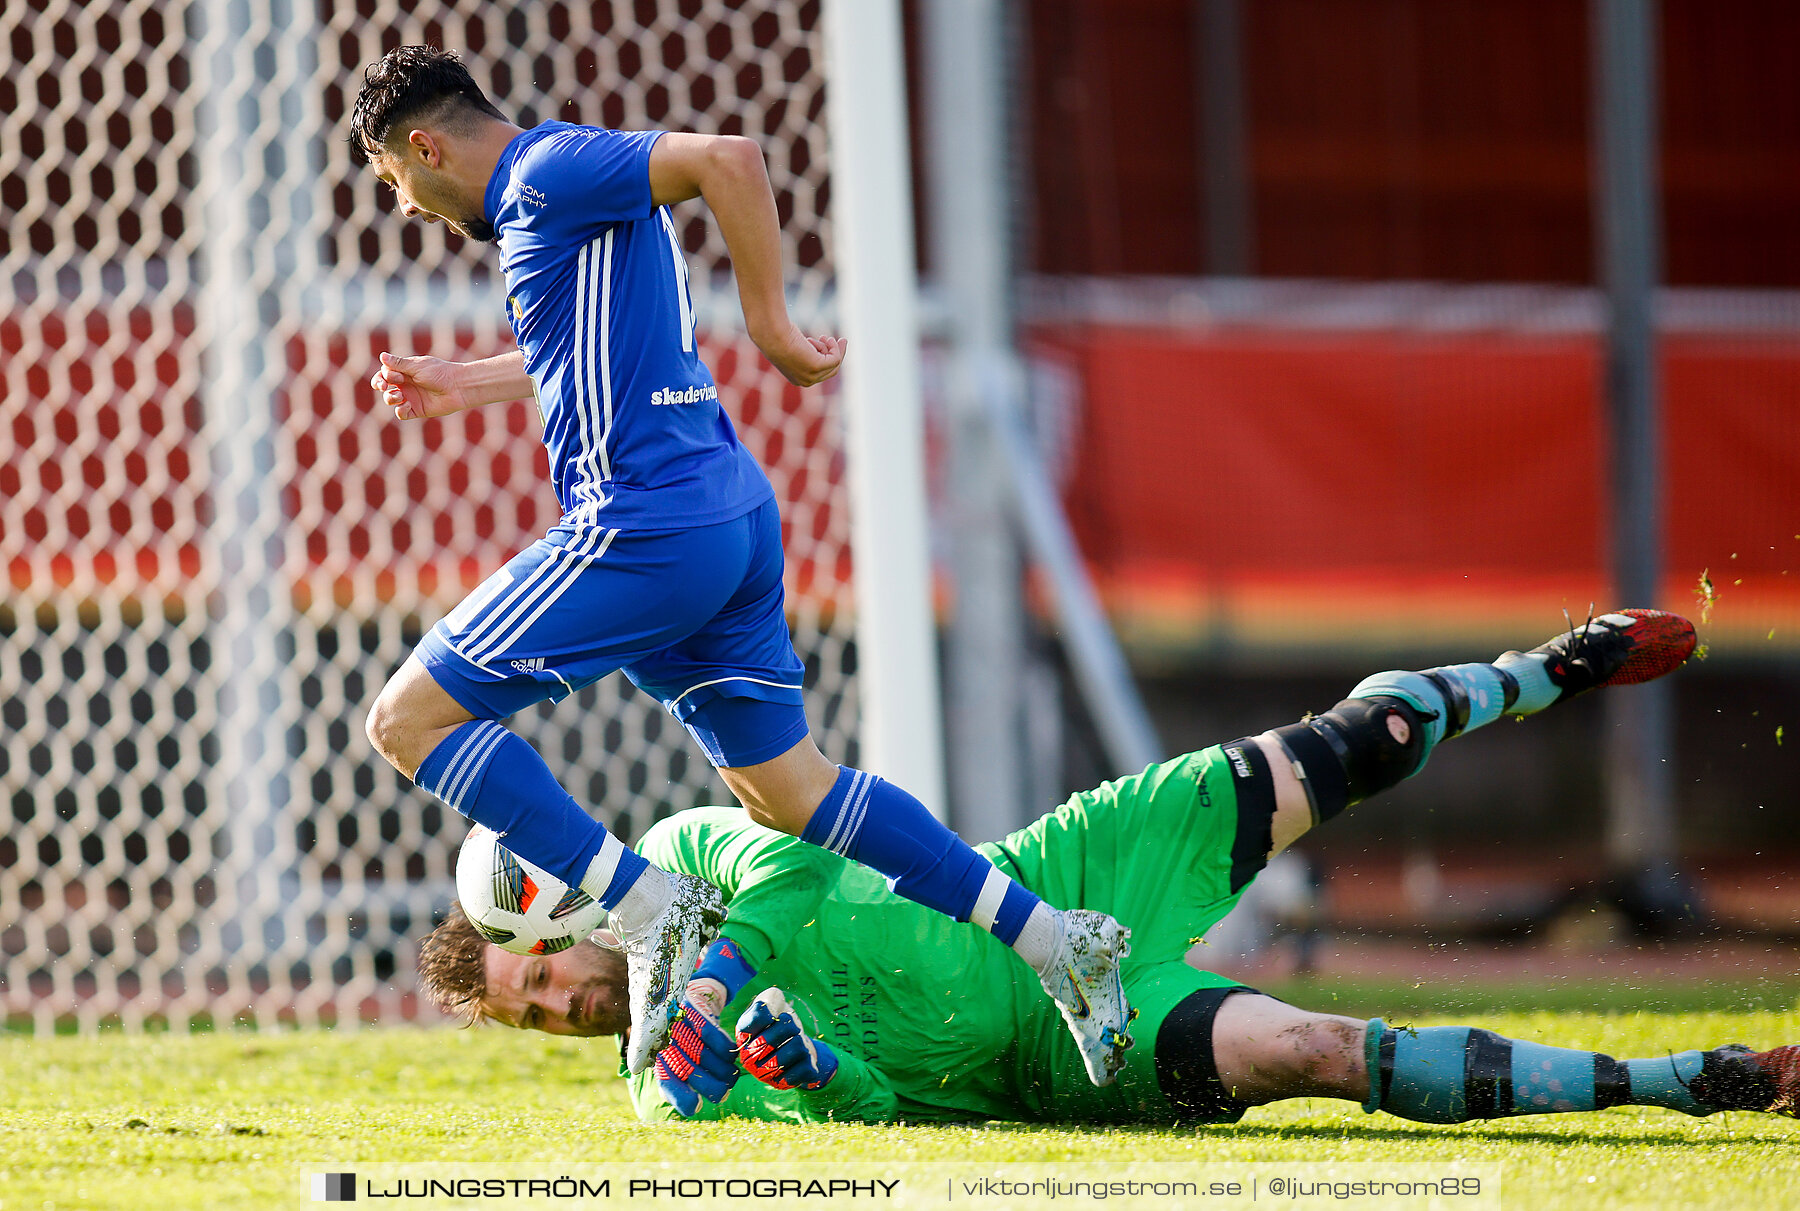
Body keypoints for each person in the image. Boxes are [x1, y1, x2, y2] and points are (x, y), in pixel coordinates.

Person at [345, 46, 1130, 1086]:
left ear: (426, 146)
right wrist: (467, 383)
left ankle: (642, 903)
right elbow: (580, 356)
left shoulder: (543, 175)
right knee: (790, 793)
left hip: (643, 522)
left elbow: (732, 158)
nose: (408, 207)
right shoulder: (570, 199)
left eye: (397, 182)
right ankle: (1053, 941)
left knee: (408, 719)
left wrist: (773, 327)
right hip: (727, 513)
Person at [420, 608, 1800, 1125]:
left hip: (1072, 863)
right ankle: (1701, 1079)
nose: (564, 1007)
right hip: (1056, 1051)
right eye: (536, 1019)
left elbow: (773, 880)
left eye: (542, 972)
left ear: (568, 905)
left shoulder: (677, 855)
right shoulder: (674, 1077)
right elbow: (879, 1109)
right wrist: (806, 1070)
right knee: (1318, 1045)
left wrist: (718, 977)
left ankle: (1542, 665)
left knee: (1348, 743)